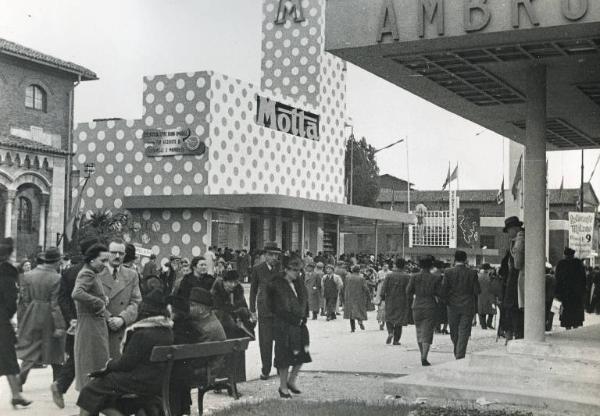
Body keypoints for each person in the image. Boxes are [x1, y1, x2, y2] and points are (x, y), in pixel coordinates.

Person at [76, 289, 174, 416]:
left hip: (138, 381)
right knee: (103, 392)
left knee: (90, 389)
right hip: (155, 380)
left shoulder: (142, 332)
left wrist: (109, 365)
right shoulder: (168, 331)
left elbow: (126, 364)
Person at [52, 236, 100, 408]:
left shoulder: (69, 272)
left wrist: (70, 318)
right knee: (84, 358)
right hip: (92, 320)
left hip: (75, 321)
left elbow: (62, 298)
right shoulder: (95, 271)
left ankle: (62, 386)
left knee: (76, 356)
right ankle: (86, 396)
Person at [169, 289, 226, 416]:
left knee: (173, 374)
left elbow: (198, 359)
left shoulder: (205, 329)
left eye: (192, 305)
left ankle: (176, 411)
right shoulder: (209, 320)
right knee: (178, 371)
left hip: (206, 371)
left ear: (201, 309)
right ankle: (183, 409)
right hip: (209, 366)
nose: (188, 309)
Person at [16, 247, 66, 387]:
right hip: (49, 316)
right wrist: (60, 325)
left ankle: (20, 379)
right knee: (56, 350)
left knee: (32, 348)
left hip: (32, 312)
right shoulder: (57, 277)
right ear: (56, 261)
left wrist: (30, 310)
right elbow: (55, 304)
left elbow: (24, 298)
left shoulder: (29, 275)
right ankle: (57, 384)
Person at [267, 255, 311, 399]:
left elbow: (304, 301)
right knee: (284, 357)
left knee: (302, 353)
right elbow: (276, 308)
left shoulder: (299, 283)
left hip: (299, 325)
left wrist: (303, 317)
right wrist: (294, 320)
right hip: (283, 326)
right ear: (286, 270)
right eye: (293, 270)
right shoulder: (277, 285)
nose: (296, 273)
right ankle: (283, 387)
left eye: (298, 270)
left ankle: (291, 381)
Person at [71, 243, 110, 391]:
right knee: (93, 365)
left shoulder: (91, 273)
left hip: (92, 325)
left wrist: (102, 298)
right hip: (90, 326)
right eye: (103, 261)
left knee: (94, 365)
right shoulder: (87, 273)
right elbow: (77, 293)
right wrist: (98, 302)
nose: (105, 265)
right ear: (92, 260)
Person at [97, 238, 143, 359]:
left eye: (121, 253)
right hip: (101, 329)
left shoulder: (132, 275)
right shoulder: (96, 273)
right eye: (113, 252)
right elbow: (91, 301)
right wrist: (109, 318)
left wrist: (122, 318)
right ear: (107, 253)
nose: (117, 256)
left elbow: (136, 302)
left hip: (122, 332)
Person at [0, 238, 31, 408]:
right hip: (1, 322)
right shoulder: (7, 270)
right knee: (8, 357)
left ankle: (16, 395)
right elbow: (11, 298)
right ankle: (16, 394)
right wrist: (6, 316)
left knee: (7, 358)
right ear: (10, 253)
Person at [249, 242, 281, 380]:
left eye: (276, 255)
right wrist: (252, 310)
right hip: (264, 310)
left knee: (281, 340)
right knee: (266, 342)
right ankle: (266, 369)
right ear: (265, 255)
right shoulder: (258, 269)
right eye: (272, 255)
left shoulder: (280, 268)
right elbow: (253, 290)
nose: (274, 257)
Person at [443, 250, 480, 360]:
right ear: (465, 260)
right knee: (464, 331)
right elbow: (477, 290)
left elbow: (443, 289)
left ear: (455, 259)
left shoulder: (448, 272)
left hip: (452, 306)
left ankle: (457, 351)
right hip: (467, 306)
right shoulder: (472, 273)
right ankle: (460, 354)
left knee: (454, 331)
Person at [407, 255, 443, 366]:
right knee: (427, 331)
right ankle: (424, 357)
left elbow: (408, 291)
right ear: (431, 265)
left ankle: (422, 354)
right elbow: (440, 293)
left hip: (417, 305)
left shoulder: (414, 277)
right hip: (430, 305)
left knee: (419, 330)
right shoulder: (436, 278)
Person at [500, 216, 525, 342]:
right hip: (512, 281)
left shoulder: (520, 240)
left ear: (515, 228)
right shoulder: (514, 241)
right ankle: (510, 337)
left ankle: (512, 338)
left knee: (514, 310)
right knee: (511, 310)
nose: (508, 233)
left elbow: (517, 263)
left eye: (508, 230)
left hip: (516, 281)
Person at [212, 270, 255, 339]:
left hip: (235, 315)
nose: (233, 285)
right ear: (224, 281)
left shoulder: (238, 288)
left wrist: (249, 314)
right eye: (230, 282)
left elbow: (243, 304)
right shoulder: (217, 289)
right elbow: (217, 307)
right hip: (221, 318)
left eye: (235, 282)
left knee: (245, 313)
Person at [380, 258, 411, 345]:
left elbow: (384, 287)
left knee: (389, 317)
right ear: (404, 265)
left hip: (390, 298)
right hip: (402, 300)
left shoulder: (389, 275)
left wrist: (382, 296)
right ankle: (396, 340)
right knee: (399, 320)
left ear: (395, 265)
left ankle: (390, 332)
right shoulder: (407, 276)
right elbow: (409, 289)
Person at [555, 247, 587, 330]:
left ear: (565, 255)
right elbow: (583, 279)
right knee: (576, 313)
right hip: (577, 294)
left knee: (567, 314)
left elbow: (558, 279)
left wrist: (558, 293)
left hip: (566, 293)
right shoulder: (578, 263)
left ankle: (568, 328)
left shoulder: (561, 264)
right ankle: (575, 327)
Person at [344, 265, 370, 332]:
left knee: (351, 313)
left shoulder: (348, 277)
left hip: (350, 297)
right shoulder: (361, 278)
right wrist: (368, 295)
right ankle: (360, 321)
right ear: (359, 270)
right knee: (359, 310)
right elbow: (366, 288)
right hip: (359, 297)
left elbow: (345, 287)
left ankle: (352, 328)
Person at [477, 264, 496, 330]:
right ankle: (489, 323)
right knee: (492, 310)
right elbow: (494, 285)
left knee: (482, 310)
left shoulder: (478, 276)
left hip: (480, 295)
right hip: (490, 295)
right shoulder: (490, 276)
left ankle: (483, 325)